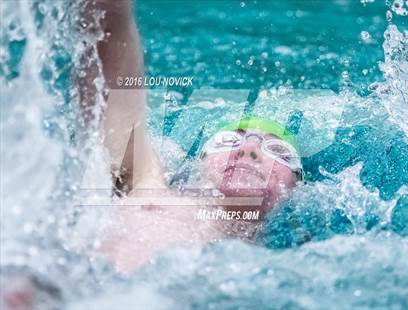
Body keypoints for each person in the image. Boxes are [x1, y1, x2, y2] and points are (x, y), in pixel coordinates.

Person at [94, 0, 304, 273]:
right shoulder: (149, 183)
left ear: (298, 189)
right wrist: (113, 10)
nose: (250, 149)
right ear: (199, 163)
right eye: (230, 140)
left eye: (278, 150)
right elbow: (116, 103)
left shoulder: (277, 270)